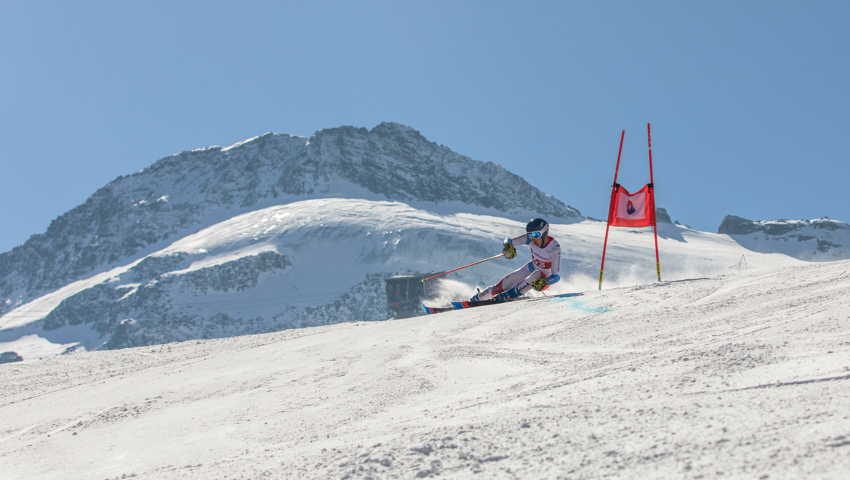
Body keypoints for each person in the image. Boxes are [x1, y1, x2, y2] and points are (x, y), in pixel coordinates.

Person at [470, 218, 561, 302]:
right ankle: (477, 299)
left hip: (543, 278)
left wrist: (545, 281)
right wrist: (507, 246)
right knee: (505, 284)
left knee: (536, 275)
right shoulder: (529, 240)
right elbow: (508, 240)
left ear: (544, 233)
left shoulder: (554, 249)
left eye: (535, 235)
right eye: (530, 235)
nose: (532, 238)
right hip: (531, 267)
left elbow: (556, 277)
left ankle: (509, 295)